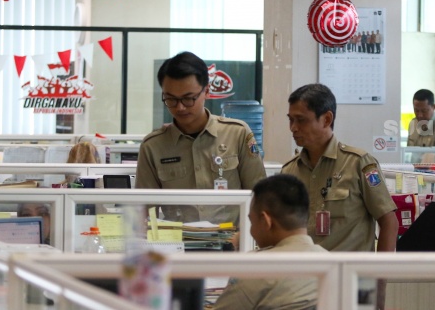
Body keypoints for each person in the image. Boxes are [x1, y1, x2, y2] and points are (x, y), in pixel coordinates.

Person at [135, 51, 266, 224]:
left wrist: (247, 236)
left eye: (188, 98)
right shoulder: (153, 146)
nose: (180, 107)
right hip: (177, 245)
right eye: (171, 99)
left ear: (207, 91)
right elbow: (143, 208)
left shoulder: (237, 134)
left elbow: (260, 195)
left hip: (232, 243)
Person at [281, 84, 398, 252]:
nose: (293, 128)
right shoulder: (289, 171)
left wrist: (378, 275)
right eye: (291, 120)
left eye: (301, 120)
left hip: (351, 275)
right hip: (305, 275)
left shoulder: (359, 163)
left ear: (327, 119)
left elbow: (389, 222)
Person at [213, 174, 327, 310]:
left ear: (265, 221)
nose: (251, 231)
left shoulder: (255, 270)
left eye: (251, 221)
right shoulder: (334, 265)